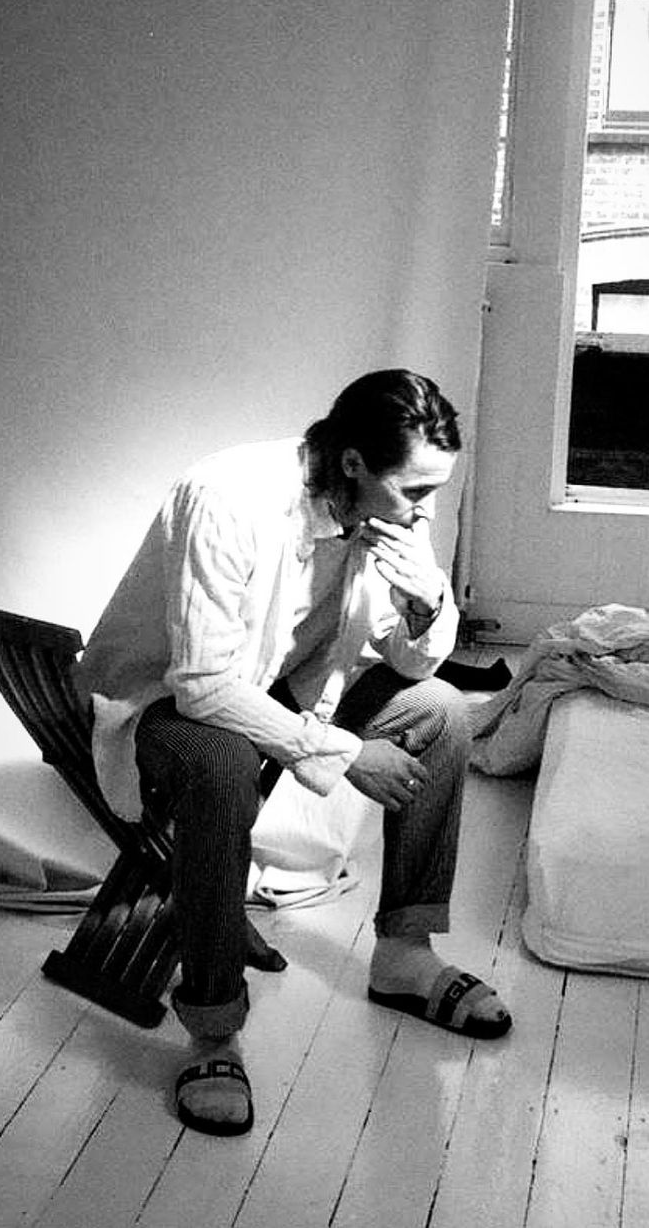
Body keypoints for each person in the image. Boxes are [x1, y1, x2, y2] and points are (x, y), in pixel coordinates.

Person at [76, 369, 511, 1137]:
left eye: (434, 493)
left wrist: (427, 602)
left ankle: (404, 955)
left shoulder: (394, 510)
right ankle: (214, 1029)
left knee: (440, 713)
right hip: (160, 701)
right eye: (416, 492)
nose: (426, 510)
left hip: (289, 686)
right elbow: (203, 687)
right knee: (220, 764)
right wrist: (344, 754)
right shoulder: (227, 498)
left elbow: (412, 664)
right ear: (353, 464)